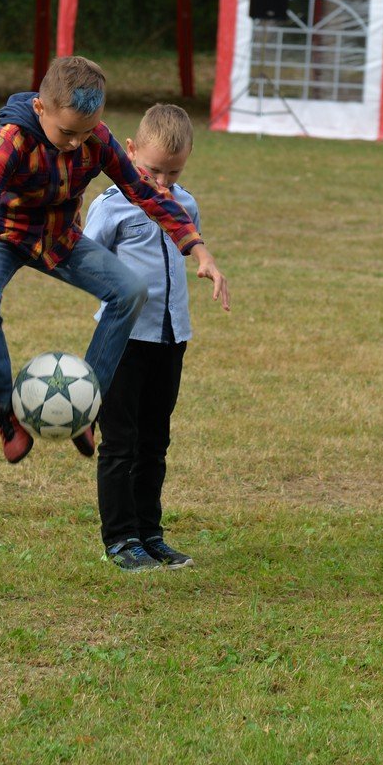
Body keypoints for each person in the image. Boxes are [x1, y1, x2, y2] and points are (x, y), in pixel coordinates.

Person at [0, 56, 228, 464]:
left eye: (85, 132)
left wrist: (198, 249)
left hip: (60, 239)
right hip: (5, 237)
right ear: (40, 109)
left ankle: (87, 404)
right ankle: (4, 411)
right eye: (67, 132)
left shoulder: (95, 138)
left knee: (130, 291)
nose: (76, 142)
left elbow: (145, 192)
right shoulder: (14, 140)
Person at [83, 104, 229, 572]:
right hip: (123, 342)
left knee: (154, 442)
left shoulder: (185, 205)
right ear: (129, 152)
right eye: (153, 171)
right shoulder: (111, 206)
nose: (163, 183)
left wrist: (206, 263)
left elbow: (189, 243)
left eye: (174, 172)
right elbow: (85, 261)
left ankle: (150, 534)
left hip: (170, 340)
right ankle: (121, 540)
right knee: (120, 443)